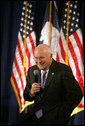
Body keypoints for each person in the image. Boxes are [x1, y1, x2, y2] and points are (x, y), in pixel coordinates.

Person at [15, 44, 83, 125]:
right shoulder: (32, 70)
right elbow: (27, 97)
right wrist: (31, 92)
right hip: (39, 113)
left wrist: (62, 112)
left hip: (56, 115)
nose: (38, 61)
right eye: (36, 58)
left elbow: (77, 94)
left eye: (41, 57)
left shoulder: (63, 70)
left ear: (50, 56)